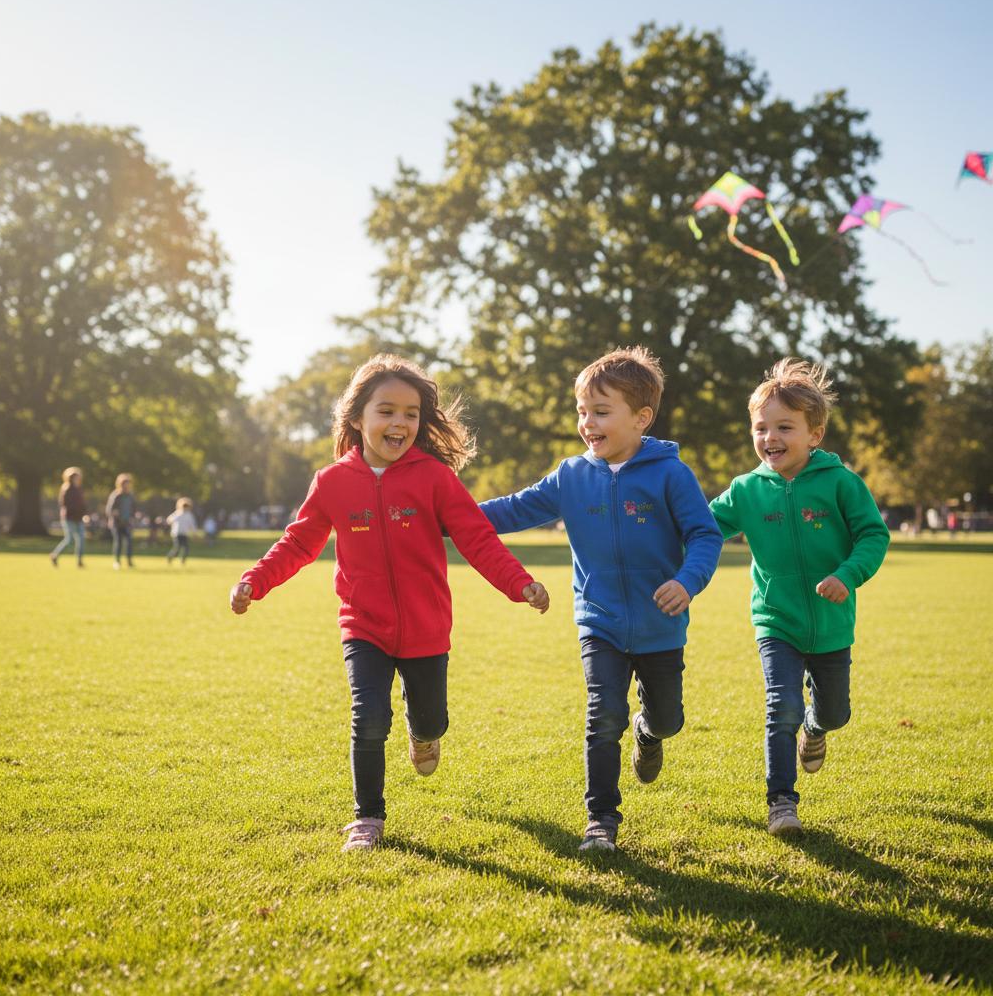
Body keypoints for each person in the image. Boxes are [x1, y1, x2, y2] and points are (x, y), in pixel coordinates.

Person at [229, 354, 550, 853]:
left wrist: (520, 584)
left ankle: (425, 734)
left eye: (411, 413)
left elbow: (477, 539)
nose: (399, 422)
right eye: (387, 411)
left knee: (430, 717)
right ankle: (368, 818)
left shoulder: (435, 478)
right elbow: (298, 544)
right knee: (369, 715)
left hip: (427, 628)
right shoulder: (332, 482)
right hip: (364, 626)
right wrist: (256, 580)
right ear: (357, 418)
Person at [479, 347, 723, 853]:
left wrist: (686, 580)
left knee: (668, 718)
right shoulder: (571, 475)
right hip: (600, 621)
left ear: (642, 419)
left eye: (601, 411)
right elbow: (512, 510)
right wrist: (443, 511)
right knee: (601, 714)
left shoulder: (670, 474)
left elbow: (705, 535)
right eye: (582, 411)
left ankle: (650, 732)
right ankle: (601, 822)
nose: (587, 422)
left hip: (660, 624)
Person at [709, 358, 889, 837]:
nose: (771, 437)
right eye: (761, 427)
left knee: (835, 712)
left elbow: (873, 536)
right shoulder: (746, 491)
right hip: (776, 621)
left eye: (784, 426)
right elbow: (701, 528)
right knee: (779, 706)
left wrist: (847, 575)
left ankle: (816, 727)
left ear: (815, 433)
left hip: (832, 623)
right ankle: (781, 803)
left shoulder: (841, 483)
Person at [50, 466, 88, 568]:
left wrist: (85, 514)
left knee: (81, 539)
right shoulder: (66, 489)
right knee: (69, 539)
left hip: (79, 518)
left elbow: (83, 504)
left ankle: (79, 561)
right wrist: (75, 511)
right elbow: (64, 504)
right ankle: (55, 555)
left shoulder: (79, 489)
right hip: (69, 518)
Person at [106, 473, 137, 569]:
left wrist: (133, 517)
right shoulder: (116, 495)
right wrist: (115, 515)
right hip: (117, 523)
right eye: (125, 483)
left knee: (129, 542)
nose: (126, 485)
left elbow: (133, 508)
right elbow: (109, 510)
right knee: (118, 542)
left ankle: (129, 561)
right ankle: (117, 561)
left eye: (128, 483)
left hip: (127, 523)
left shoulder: (131, 496)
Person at [166, 498, 198, 564]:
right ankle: (170, 557)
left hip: (184, 534)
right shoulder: (177, 513)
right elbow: (169, 520)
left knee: (186, 548)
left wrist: (194, 533)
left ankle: (183, 561)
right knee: (177, 548)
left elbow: (192, 525)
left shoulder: (189, 515)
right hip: (177, 534)